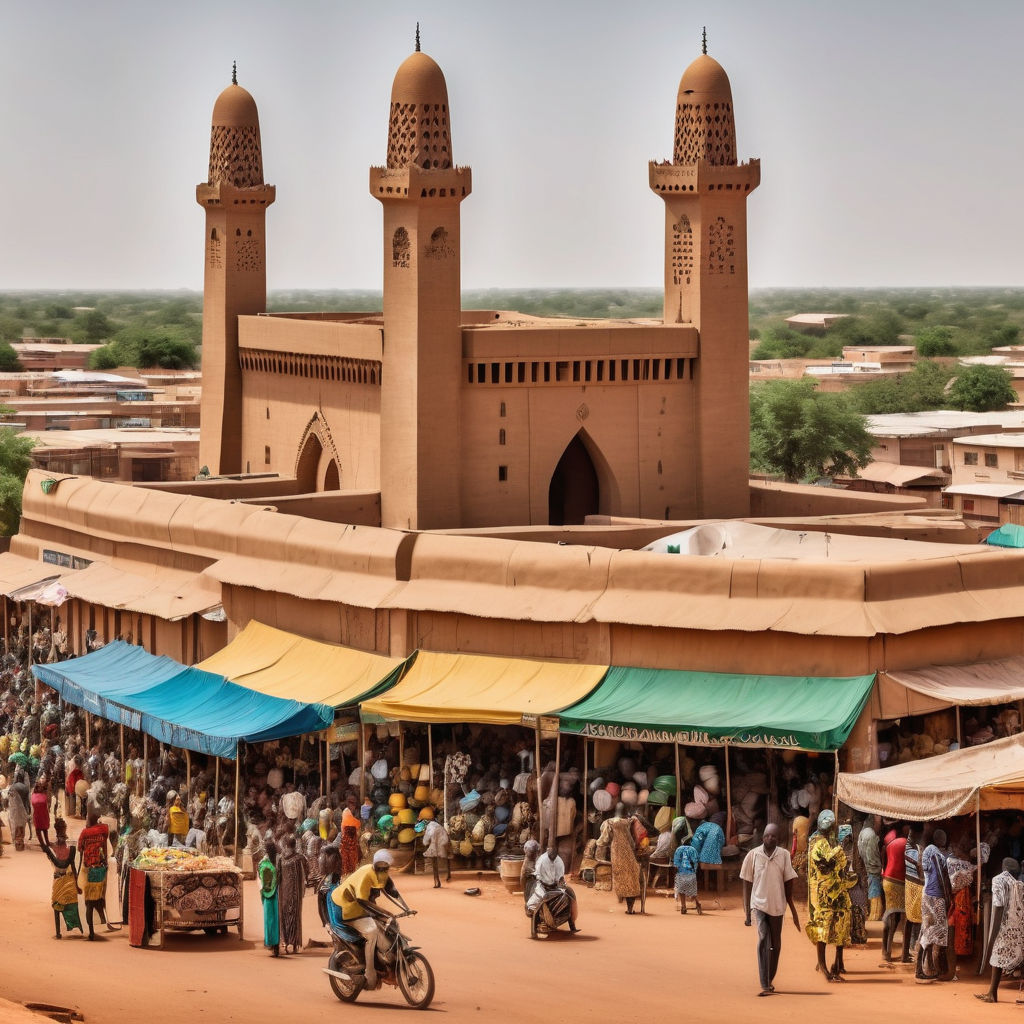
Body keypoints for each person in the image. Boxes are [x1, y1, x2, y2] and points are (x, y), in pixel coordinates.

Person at [331, 849, 412, 989]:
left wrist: (407, 908)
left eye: (385, 868)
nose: (383, 871)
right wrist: (385, 913)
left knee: (386, 929)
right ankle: (370, 973)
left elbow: (392, 891)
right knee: (372, 933)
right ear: (374, 865)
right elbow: (362, 900)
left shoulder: (384, 875)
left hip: (361, 908)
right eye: (380, 868)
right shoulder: (367, 875)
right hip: (345, 908)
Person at [740, 822, 800, 997]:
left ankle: (770, 978)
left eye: (773, 836)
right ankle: (765, 983)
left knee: (776, 945)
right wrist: (747, 912)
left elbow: (788, 883)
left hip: (777, 906)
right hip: (758, 904)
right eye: (767, 835)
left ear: (778, 838)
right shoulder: (753, 855)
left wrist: (793, 911)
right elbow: (746, 884)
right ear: (762, 837)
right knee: (763, 938)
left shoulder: (784, 855)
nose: (770, 838)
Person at [804, 809, 852, 981]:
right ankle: (824, 967)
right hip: (823, 893)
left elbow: (841, 866)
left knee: (841, 923)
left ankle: (836, 963)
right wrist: (839, 850)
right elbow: (826, 865)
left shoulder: (831, 842)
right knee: (823, 928)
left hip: (837, 890)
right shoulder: (818, 844)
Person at [976, 857, 1024, 1003]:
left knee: (997, 956)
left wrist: (993, 935)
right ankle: (992, 993)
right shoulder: (1018, 883)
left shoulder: (998, 880)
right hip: (1017, 926)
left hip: (1004, 925)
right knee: (1010, 957)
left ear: (1003, 867)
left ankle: (992, 994)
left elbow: (998, 906)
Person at [917, 827, 952, 983]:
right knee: (934, 932)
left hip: (928, 895)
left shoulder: (929, 851)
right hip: (935, 897)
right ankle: (929, 969)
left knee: (927, 931)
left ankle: (924, 969)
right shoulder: (935, 854)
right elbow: (939, 877)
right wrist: (947, 896)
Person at [78, 806, 117, 940]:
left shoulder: (85, 833)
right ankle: (104, 920)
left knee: (89, 903)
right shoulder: (104, 829)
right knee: (100, 898)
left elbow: (80, 849)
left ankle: (91, 932)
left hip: (90, 870)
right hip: (102, 869)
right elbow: (109, 838)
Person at [41, 817, 83, 938]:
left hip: (62, 879)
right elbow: (71, 866)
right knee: (65, 905)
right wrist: (77, 883)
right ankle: (62, 930)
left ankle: (59, 932)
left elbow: (66, 865)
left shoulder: (53, 849)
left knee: (61, 905)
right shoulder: (68, 849)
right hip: (66, 879)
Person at [526, 844, 579, 932]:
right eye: (551, 855)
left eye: (554, 855)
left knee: (569, 896)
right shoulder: (542, 860)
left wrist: (560, 883)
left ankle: (572, 925)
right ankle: (534, 931)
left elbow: (561, 876)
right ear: (547, 853)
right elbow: (538, 874)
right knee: (534, 904)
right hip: (543, 886)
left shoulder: (559, 861)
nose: (553, 857)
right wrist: (543, 881)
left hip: (556, 887)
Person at [608, 814, 644, 914]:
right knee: (632, 883)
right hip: (629, 863)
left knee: (621, 883)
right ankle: (630, 908)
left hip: (618, 862)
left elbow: (603, 841)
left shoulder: (614, 837)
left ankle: (624, 903)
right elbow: (633, 845)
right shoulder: (626, 834)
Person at [881, 825, 907, 962]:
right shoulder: (906, 844)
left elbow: (884, 863)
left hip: (887, 880)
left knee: (890, 914)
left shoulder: (889, 843)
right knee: (901, 918)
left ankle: (885, 950)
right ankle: (901, 954)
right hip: (899, 881)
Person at [277, 832, 307, 954]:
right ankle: (294, 945)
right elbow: (307, 873)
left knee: (284, 915)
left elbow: (278, 876)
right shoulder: (299, 858)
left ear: (285, 845)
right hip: (295, 894)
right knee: (295, 916)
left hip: (283, 893)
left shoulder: (281, 859)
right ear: (295, 845)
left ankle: (284, 942)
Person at [839, 824, 868, 945]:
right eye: (845, 836)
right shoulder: (838, 850)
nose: (847, 838)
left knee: (858, 908)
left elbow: (861, 867)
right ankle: (852, 934)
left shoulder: (856, 848)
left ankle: (857, 934)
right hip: (846, 885)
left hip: (855, 884)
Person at [903, 822, 924, 962]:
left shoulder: (908, 848)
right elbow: (921, 873)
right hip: (917, 887)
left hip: (909, 885)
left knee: (909, 920)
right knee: (920, 921)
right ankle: (916, 951)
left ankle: (906, 952)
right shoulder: (918, 851)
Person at [857, 818, 883, 921]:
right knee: (874, 875)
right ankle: (875, 913)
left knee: (871, 874)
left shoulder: (863, 830)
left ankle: (873, 911)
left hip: (863, 835)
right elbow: (878, 821)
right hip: (870, 837)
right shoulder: (871, 833)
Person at [258, 837, 280, 956]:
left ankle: (271, 943)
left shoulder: (263, 863)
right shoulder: (279, 860)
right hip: (278, 893)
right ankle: (276, 945)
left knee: (269, 919)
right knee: (277, 919)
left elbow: (260, 879)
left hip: (267, 895)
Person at [673, 837, 701, 915]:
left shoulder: (678, 849)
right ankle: (698, 903)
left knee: (681, 890)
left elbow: (676, 864)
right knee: (693, 891)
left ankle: (683, 907)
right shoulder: (693, 850)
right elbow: (696, 862)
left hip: (681, 873)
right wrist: (695, 871)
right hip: (691, 873)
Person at [422, 818, 451, 888]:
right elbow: (445, 837)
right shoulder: (439, 826)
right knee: (446, 860)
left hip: (435, 845)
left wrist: (425, 843)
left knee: (434, 862)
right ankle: (448, 876)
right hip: (444, 843)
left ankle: (437, 881)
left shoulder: (430, 827)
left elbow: (426, 840)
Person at [8, 768, 31, 850]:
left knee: (15, 826)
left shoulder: (12, 787)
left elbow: (9, 799)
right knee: (22, 826)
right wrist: (29, 811)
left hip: (14, 811)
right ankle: (21, 841)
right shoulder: (25, 787)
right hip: (23, 810)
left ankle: (16, 841)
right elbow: (27, 800)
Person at [340, 794, 360, 875]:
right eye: (352, 803)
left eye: (354, 803)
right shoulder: (346, 812)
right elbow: (352, 824)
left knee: (351, 857)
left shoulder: (349, 812)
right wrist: (358, 823)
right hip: (347, 839)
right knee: (348, 857)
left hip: (350, 839)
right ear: (348, 804)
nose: (353, 806)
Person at [31, 775, 51, 849]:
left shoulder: (33, 796)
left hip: (37, 815)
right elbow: (48, 803)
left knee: (38, 830)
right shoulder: (44, 795)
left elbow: (32, 804)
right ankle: (47, 842)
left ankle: (42, 844)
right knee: (45, 829)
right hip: (44, 814)